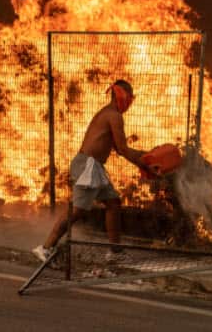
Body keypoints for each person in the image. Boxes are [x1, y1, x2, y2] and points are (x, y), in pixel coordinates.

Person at [32, 79, 151, 262]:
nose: (129, 102)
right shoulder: (113, 115)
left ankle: (114, 253)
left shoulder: (110, 114)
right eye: (128, 97)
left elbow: (120, 150)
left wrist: (145, 156)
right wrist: (144, 162)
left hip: (94, 167)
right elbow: (123, 149)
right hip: (87, 165)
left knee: (113, 203)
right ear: (120, 95)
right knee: (77, 211)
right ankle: (45, 247)